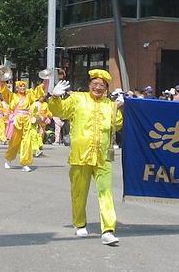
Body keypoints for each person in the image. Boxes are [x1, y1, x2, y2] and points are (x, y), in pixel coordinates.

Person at [47, 69, 123, 246]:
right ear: (89, 85)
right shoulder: (77, 99)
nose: (98, 87)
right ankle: (80, 224)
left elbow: (117, 125)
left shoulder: (109, 105)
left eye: (102, 85)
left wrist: (118, 108)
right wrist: (55, 97)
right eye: (95, 84)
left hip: (103, 156)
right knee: (79, 192)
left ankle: (108, 230)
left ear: (106, 88)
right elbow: (60, 111)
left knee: (106, 192)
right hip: (80, 155)